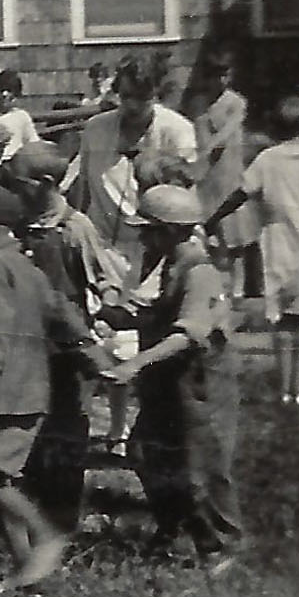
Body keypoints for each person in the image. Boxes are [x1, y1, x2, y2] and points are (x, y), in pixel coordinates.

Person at [0, 183, 110, 590]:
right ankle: (28, 572)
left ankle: (46, 538)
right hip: (33, 390)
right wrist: (99, 359)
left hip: (5, 394)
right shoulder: (26, 264)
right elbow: (62, 312)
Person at [100, 186, 242, 561]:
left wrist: (135, 363)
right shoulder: (168, 264)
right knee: (146, 452)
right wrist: (121, 316)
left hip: (200, 383)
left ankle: (220, 544)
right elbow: (160, 314)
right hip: (167, 380)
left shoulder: (200, 271)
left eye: (148, 230)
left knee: (200, 466)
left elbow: (189, 334)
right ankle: (175, 526)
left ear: (169, 230)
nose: (142, 237)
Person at [2, 140, 128, 534]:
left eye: (19, 184)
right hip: (23, 342)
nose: (14, 191)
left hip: (65, 348)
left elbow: (106, 280)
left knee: (67, 427)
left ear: (43, 184)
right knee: (29, 427)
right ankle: (32, 510)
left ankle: (62, 518)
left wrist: (103, 313)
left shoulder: (75, 228)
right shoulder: (18, 223)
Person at [210, 95, 299, 408]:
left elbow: (241, 194)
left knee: (283, 320)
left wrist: (213, 218)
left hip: (279, 243)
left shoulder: (268, 159)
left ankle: (285, 393)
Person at [69, 55, 200, 278]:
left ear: (156, 93)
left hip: (156, 252)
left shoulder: (178, 130)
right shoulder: (96, 128)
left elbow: (185, 200)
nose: (132, 105)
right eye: (126, 95)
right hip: (103, 248)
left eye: (142, 97)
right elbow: (82, 188)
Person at [194, 58, 256, 294]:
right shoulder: (199, 103)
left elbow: (228, 132)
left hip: (229, 171)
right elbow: (197, 134)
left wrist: (210, 147)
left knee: (234, 234)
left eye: (225, 75)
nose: (220, 80)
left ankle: (238, 288)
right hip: (208, 176)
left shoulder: (236, 102)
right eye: (215, 75)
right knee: (210, 232)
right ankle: (217, 287)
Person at [0, 68, 39, 161]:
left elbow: (33, 143)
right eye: (1, 90)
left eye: (9, 91)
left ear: (15, 95)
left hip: (17, 164)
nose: (4, 94)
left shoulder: (21, 116)